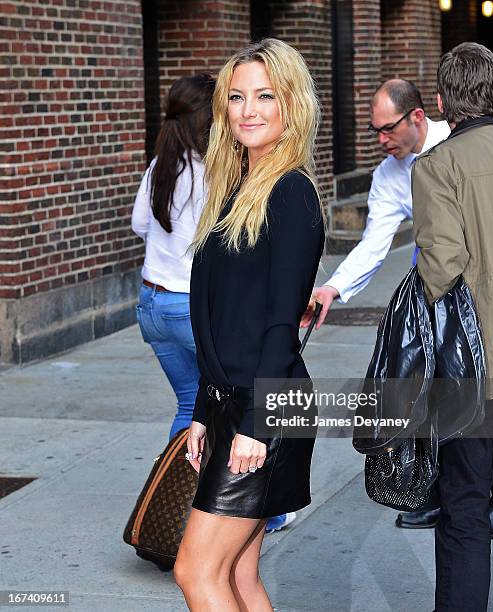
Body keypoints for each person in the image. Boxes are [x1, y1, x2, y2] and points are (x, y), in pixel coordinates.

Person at [173, 38, 324, 611]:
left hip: (267, 406)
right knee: (236, 577)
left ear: (291, 105)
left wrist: (256, 426)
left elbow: (278, 326)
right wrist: (202, 413)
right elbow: (219, 315)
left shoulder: (290, 192)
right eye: (236, 97)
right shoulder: (235, 189)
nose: (248, 110)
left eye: (265, 96)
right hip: (231, 401)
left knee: (196, 572)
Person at [302, 79, 453, 530]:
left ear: (418, 117)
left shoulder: (457, 144)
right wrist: (334, 288)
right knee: (428, 390)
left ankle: (488, 495)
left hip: (478, 287)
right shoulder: (389, 174)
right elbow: (374, 244)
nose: (382, 140)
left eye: (388, 130)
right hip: (430, 292)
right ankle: (433, 488)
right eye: (375, 132)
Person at [412, 42, 493, 611]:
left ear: (444, 103)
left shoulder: (437, 167)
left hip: (475, 374)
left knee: (466, 508)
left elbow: (441, 270)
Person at [132, 74, 215, 440]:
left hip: (150, 305)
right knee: (236, 400)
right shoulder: (209, 172)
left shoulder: (159, 166)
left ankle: (180, 493)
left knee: (188, 404)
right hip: (187, 304)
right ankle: (228, 491)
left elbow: (139, 224)